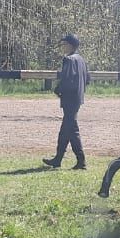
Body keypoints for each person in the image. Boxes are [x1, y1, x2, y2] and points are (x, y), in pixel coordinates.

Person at [43, 33, 91, 170]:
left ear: (70, 45)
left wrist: (58, 89)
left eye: (64, 44)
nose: (63, 47)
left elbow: (67, 79)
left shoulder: (68, 60)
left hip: (69, 98)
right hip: (77, 98)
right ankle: (64, 159)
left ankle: (73, 160)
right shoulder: (81, 60)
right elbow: (87, 79)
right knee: (70, 129)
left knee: (67, 130)